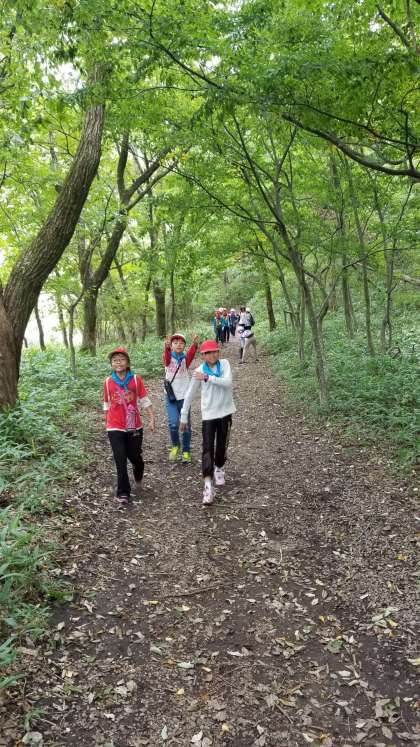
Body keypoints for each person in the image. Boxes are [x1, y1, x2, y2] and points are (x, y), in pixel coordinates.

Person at [180, 340, 236, 506]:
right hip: (209, 415)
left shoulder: (224, 364)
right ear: (203, 355)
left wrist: (208, 378)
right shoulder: (199, 371)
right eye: (209, 352)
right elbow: (189, 394)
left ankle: (219, 467)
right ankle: (208, 486)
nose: (213, 355)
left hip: (225, 412)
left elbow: (227, 383)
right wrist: (183, 416)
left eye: (215, 351)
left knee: (222, 446)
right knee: (207, 448)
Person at [103, 347, 155, 507]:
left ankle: (138, 474)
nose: (118, 363)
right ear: (111, 364)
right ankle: (123, 492)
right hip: (114, 427)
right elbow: (106, 404)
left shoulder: (135, 380)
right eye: (115, 360)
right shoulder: (108, 382)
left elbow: (144, 399)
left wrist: (152, 418)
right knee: (120, 460)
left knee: (135, 457)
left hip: (134, 426)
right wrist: (106, 422)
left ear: (127, 362)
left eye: (121, 359)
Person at [163, 332, 199, 463]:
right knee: (173, 423)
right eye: (175, 343)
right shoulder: (168, 359)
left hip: (184, 396)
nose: (178, 345)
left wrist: (194, 343)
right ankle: (175, 445)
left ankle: (186, 451)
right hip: (171, 396)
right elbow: (166, 357)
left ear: (184, 345)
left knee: (186, 425)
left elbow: (191, 353)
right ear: (171, 345)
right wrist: (166, 348)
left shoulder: (185, 359)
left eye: (181, 343)